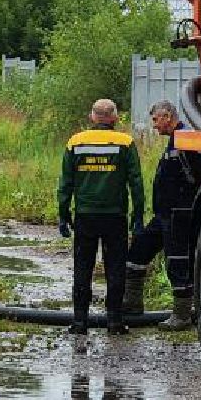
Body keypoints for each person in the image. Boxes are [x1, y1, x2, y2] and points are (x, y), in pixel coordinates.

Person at [56, 98, 144, 335]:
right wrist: (137, 217)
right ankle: (114, 322)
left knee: (82, 268)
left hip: (85, 216)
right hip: (115, 217)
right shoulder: (125, 143)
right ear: (114, 118)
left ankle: (79, 322)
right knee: (115, 269)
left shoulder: (76, 142)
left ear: (92, 117)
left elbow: (66, 184)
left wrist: (63, 215)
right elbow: (135, 182)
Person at [129, 100, 201, 330]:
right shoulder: (175, 141)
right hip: (163, 214)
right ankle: (131, 303)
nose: (154, 126)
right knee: (138, 252)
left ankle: (181, 315)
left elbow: (199, 174)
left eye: (156, 120)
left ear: (168, 117)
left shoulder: (186, 140)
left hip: (178, 214)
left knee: (177, 262)